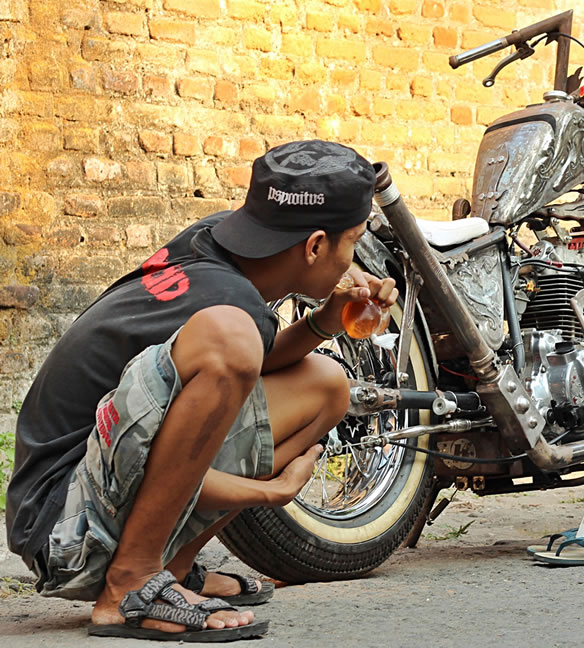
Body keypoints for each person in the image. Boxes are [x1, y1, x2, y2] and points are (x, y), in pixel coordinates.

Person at [5, 140, 398, 640]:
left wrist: (323, 322)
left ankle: (170, 573)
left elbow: (257, 359)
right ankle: (133, 582)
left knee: (325, 385)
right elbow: (241, 352)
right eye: (353, 243)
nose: (352, 263)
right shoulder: (231, 310)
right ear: (316, 246)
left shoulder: (210, 245)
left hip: (77, 498)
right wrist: (266, 492)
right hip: (64, 529)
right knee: (230, 337)